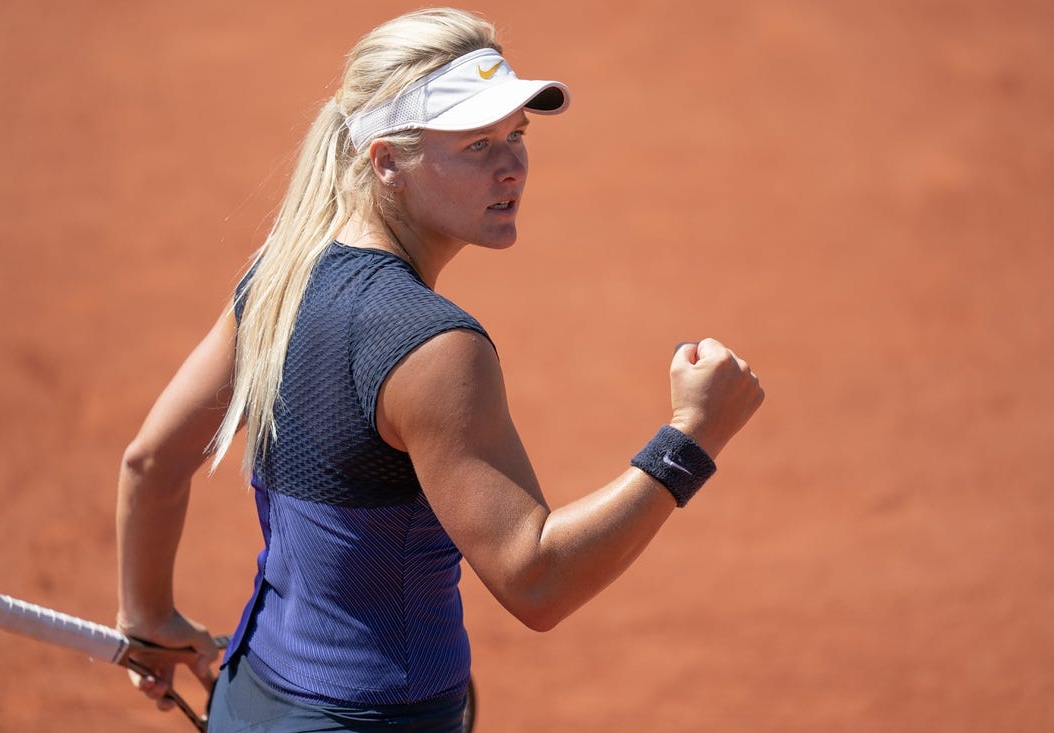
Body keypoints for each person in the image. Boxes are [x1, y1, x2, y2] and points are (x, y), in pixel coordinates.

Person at [115, 7, 764, 733]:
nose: (512, 165)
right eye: (478, 144)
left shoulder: (279, 276)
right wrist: (690, 438)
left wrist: (148, 618)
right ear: (387, 160)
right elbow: (537, 580)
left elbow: (150, 462)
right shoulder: (433, 346)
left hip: (250, 698)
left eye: (516, 135)